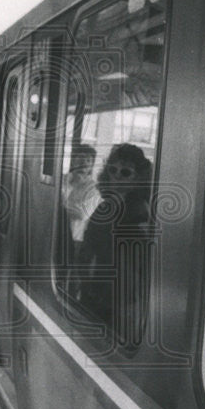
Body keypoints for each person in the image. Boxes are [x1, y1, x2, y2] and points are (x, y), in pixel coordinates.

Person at [76, 143, 153, 344]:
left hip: (121, 298)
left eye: (126, 172)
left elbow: (137, 262)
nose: (116, 176)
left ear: (138, 179)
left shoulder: (139, 212)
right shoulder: (107, 205)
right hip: (98, 289)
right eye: (112, 169)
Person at [61, 143, 100, 245]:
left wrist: (58, 204)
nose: (84, 163)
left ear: (91, 166)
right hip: (52, 233)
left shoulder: (94, 189)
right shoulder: (60, 180)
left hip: (75, 240)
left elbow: (81, 214)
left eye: (88, 160)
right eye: (80, 158)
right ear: (73, 161)